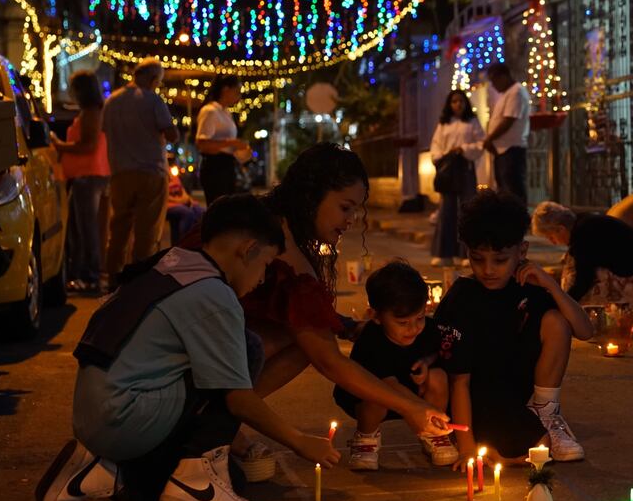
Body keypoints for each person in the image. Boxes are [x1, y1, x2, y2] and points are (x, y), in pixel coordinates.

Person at [35, 194, 339, 501]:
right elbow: (238, 399)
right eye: (265, 266)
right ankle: (197, 480)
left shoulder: (171, 263)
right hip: (126, 416)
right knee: (246, 348)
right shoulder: (214, 294)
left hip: (95, 415)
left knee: (221, 482)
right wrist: (300, 441)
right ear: (247, 249)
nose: (262, 280)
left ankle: (102, 472)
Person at [228, 144, 450, 476]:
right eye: (345, 208)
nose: (351, 221)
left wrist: (344, 324)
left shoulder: (273, 221)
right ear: (311, 195)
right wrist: (413, 409)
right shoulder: (271, 241)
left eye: (356, 211)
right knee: (308, 341)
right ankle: (219, 416)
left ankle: (225, 415)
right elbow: (329, 361)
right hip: (188, 362)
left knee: (306, 335)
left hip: (215, 350)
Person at [436, 190, 594, 465]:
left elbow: (585, 331)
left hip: (514, 397)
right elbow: (458, 381)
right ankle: (476, 443)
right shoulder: (462, 298)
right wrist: (466, 448)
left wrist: (551, 286)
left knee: (556, 321)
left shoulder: (527, 285)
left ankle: (546, 412)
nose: (487, 270)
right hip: (475, 397)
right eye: (477, 259)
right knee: (531, 453)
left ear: (521, 252)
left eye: (499, 260)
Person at [334, 260, 458, 470]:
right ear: (376, 316)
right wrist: (421, 409)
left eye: (419, 318)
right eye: (402, 323)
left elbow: (440, 349)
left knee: (438, 377)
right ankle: (366, 438)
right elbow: (387, 384)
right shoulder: (371, 340)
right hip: (373, 395)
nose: (414, 328)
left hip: (412, 390)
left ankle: (433, 435)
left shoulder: (428, 329)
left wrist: (427, 362)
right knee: (375, 398)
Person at [101, 57, 180, 288]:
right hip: (151, 172)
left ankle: (113, 276)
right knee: (147, 230)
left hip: (120, 172)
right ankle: (140, 278)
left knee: (119, 228)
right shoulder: (153, 100)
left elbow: (105, 131)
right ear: (154, 79)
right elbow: (171, 133)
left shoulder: (112, 101)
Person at [532, 201, 633, 308]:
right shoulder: (583, 222)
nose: (553, 242)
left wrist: (562, 304)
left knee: (572, 277)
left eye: (551, 237)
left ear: (561, 229)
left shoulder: (583, 236)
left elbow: (583, 281)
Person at [53, 70, 109, 294]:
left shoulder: (91, 113)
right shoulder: (90, 111)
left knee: (86, 229)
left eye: (73, 87)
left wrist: (59, 144)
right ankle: (85, 274)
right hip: (85, 176)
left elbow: (88, 145)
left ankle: (90, 276)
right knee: (81, 227)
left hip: (88, 176)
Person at [430, 89, 484, 266]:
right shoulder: (444, 124)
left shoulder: (472, 122)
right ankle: (443, 253)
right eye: (454, 101)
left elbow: (480, 143)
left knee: (467, 211)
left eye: (461, 101)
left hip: (465, 169)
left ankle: (466, 254)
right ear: (449, 104)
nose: (458, 104)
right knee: (446, 210)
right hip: (448, 170)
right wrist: (444, 156)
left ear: (466, 103)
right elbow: (436, 145)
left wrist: (464, 149)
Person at [195, 74, 251, 205]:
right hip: (215, 168)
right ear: (226, 89)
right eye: (237, 92)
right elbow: (202, 144)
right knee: (219, 211)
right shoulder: (210, 111)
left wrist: (239, 149)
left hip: (227, 166)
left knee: (228, 211)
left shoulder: (225, 112)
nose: (239, 97)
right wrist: (231, 143)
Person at [482, 63, 531, 203]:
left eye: (494, 80)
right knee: (504, 191)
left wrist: (490, 138)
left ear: (504, 76)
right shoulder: (506, 94)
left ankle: (517, 222)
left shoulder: (516, 92)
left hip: (511, 149)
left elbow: (508, 120)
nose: (493, 85)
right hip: (502, 150)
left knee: (512, 190)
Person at [165, 156, 205, 245]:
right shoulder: (163, 177)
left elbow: (182, 191)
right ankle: (183, 244)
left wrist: (189, 200)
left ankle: (196, 242)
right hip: (169, 205)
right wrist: (181, 201)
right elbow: (164, 197)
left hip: (180, 203)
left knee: (200, 211)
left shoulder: (174, 177)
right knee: (187, 214)